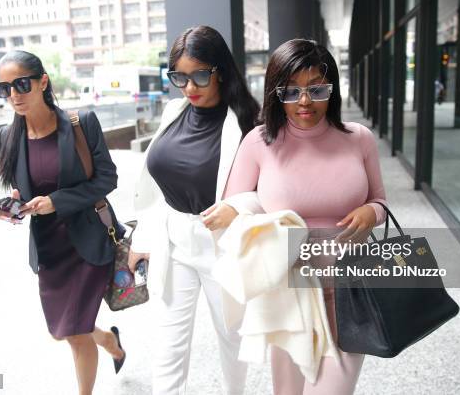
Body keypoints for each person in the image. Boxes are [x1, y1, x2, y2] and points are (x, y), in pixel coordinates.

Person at [216, 39, 388, 394]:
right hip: (288, 291)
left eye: (316, 89)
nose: (305, 101)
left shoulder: (359, 139)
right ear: (275, 94)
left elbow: (381, 202)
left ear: (332, 89)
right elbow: (235, 208)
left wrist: (371, 212)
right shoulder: (258, 142)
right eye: (291, 92)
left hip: (349, 290)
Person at [128, 25, 260, 395]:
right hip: (174, 242)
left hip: (223, 245)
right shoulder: (174, 110)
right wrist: (143, 237)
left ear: (221, 70)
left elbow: (271, 190)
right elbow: (158, 187)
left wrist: (236, 206)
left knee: (232, 338)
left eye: (200, 75)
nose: (189, 88)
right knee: (168, 344)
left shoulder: (249, 122)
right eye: (179, 78)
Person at [0, 50, 127, 395]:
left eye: (21, 84)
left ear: (43, 81)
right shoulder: (9, 136)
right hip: (49, 248)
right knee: (62, 331)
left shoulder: (80, 123)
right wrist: (15, 207)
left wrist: (57, 202)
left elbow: (107, 179)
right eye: (3, 89)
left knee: (76, 333)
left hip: (87, 243)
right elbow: (24, 190)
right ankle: (109, 340)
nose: (14, 95)